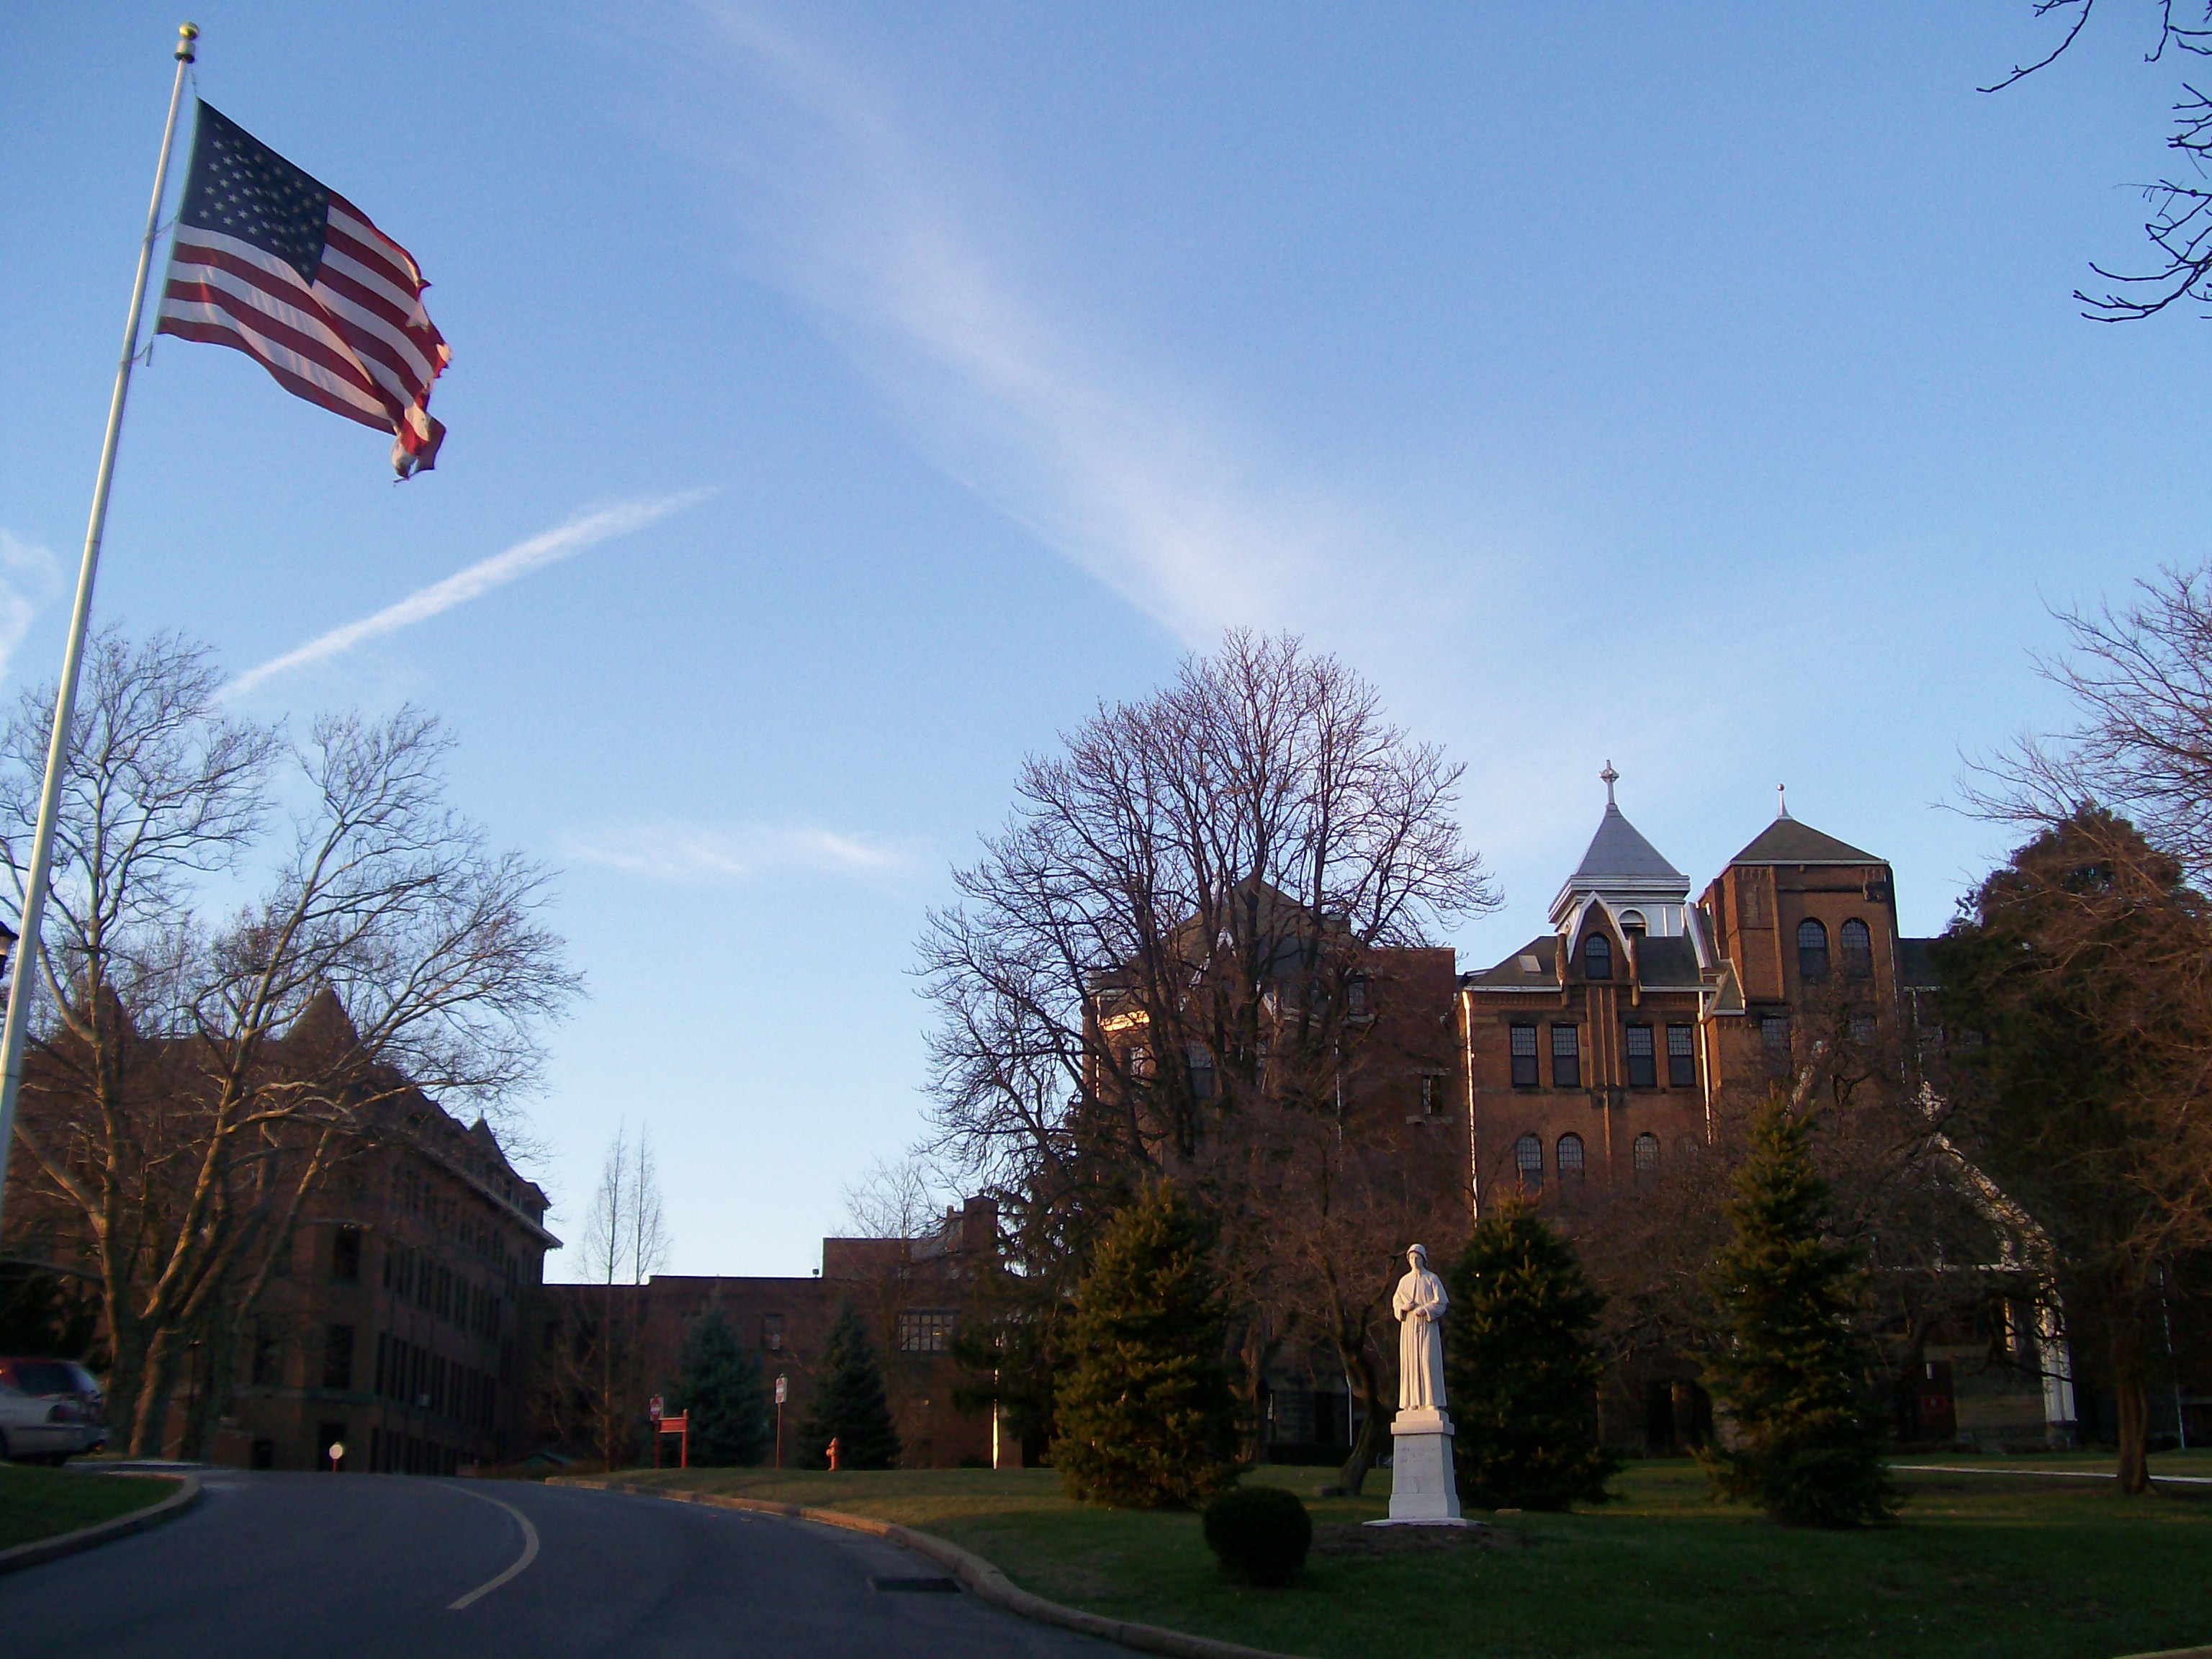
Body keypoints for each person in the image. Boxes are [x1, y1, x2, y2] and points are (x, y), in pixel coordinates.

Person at [1392, 1243, 1449, 1412]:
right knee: (1411, 1362)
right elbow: (1396, 1302)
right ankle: (1412, 1401)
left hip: (1426, 1326)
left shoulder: (1432, 1279)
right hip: (1409, 1327)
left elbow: (1441, 1302)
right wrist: (1404, 1308)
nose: (1414, 1261)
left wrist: (1426, 1309)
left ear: (1423, 1259)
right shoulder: (1404, 1281)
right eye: (1411, 1258)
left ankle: (1431, 1401)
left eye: (1417, 1258)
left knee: (1427, 1360)